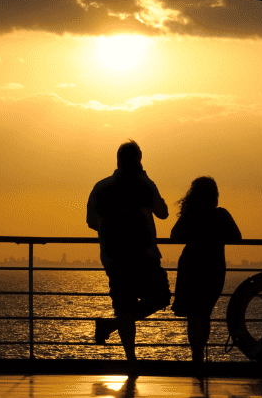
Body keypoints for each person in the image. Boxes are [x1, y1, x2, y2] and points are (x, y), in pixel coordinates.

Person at [87, 140, 171, 363]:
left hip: (114, 258)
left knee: (124, 307)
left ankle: (130, 360)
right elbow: (163, 213)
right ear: (139, 160)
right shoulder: (144, 184)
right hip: (144, 256)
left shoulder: (101, 187)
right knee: (160, 297)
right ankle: (111, 327)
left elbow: (91, 222)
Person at [170, 176, 241, 364]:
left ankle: (197, 355)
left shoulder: (190, 216)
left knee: (194, 315)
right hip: (213, 268)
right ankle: (199, 355)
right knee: (204, 313)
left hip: (191, 267)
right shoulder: (221, 215)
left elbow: (174, 236)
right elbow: (237, 237)